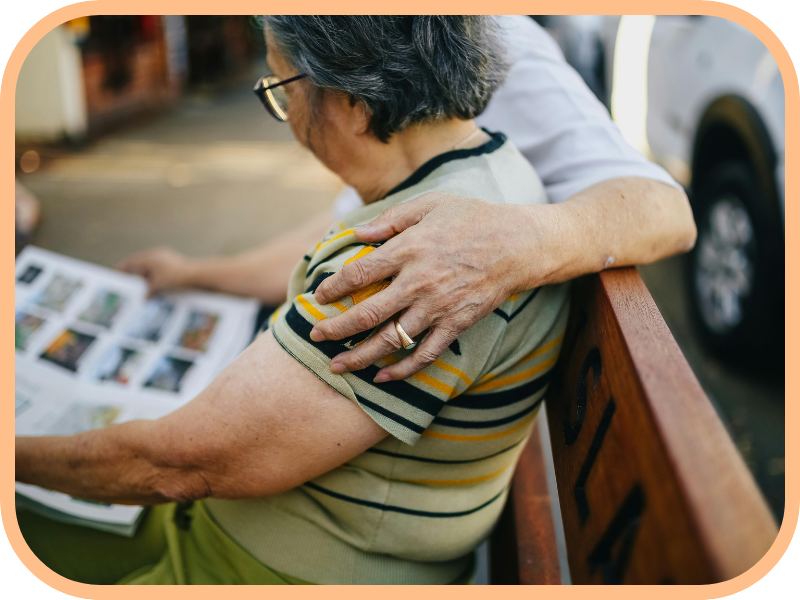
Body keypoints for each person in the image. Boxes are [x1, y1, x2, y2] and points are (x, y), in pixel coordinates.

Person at [17, 16, 573, 585]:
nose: (288, 120)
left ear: (354, 101)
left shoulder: (414, 260)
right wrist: (197, 274)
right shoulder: (483, 175)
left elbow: (178, 464)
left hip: (280, 569)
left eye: (282, 87)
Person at [119, 16, 696, 383]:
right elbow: (338, 228)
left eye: (282, 86)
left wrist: (505, 245)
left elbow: (665, 210)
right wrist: (194, 273)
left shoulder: (493, 38)